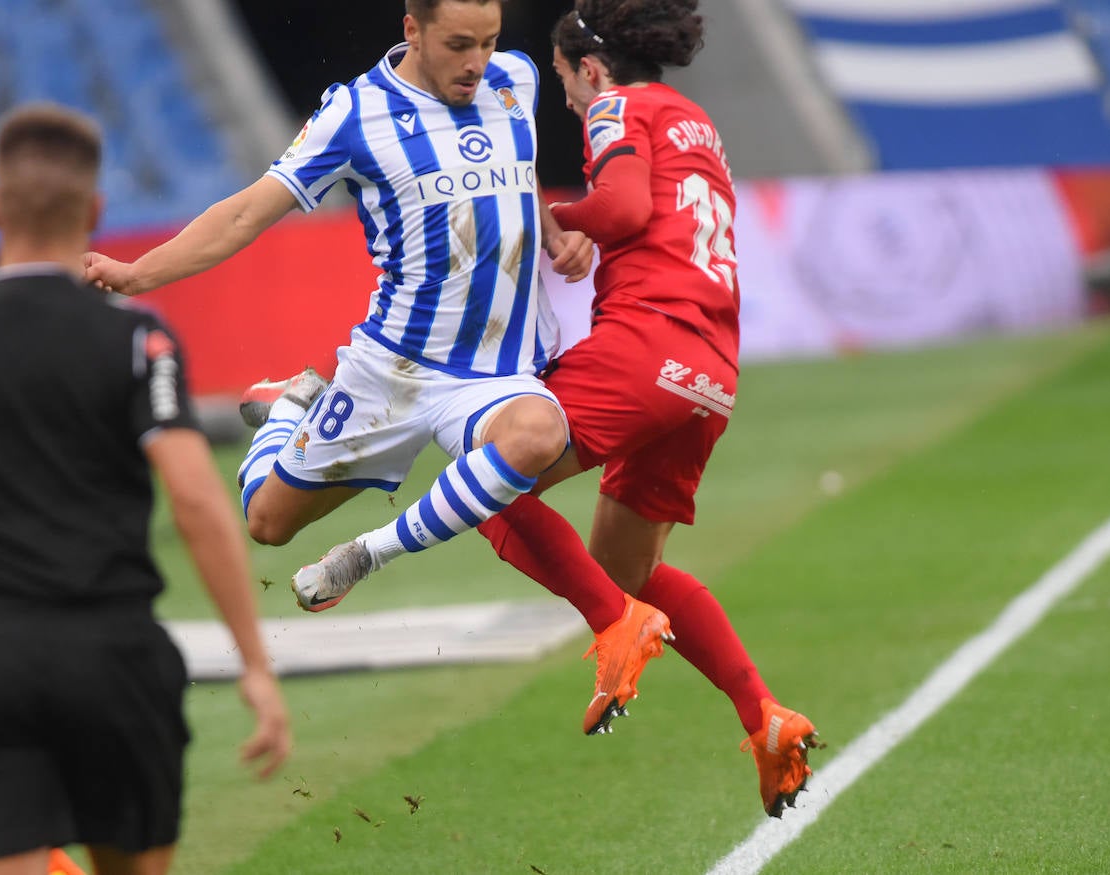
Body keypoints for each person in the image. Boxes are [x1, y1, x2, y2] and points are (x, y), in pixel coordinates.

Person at [83, 0, 671, 737]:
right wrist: (138, 274)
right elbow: (244, 214)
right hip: (390, 371)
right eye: (458, 45)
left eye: (487, 43)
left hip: (495, 373)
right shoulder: (354, 115)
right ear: (412, 30)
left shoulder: (515, 79)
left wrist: (555, 228)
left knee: (536, 432)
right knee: (266, 523)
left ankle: (365, 555)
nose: (476, 63)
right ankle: (292, 405)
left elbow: (516, 177)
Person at [0, 103, 291, 875]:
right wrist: (254, 664)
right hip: (116, 660)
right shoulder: (137, 341)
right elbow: (196, 501)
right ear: (94, 212)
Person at [472, 0, 820, 817]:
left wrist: (557, 217)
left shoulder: (617, 107)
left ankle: (613, 630)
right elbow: (653, 214)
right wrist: (602, 229)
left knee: (484, 484)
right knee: (630, 572)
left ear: (591, 69)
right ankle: (766, 719)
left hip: (645, 347)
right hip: (708, 374)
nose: (564, 99)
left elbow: (625, 208)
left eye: (563, 80)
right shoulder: (691, 119)